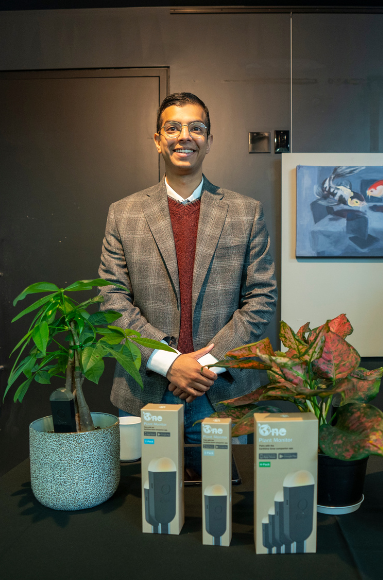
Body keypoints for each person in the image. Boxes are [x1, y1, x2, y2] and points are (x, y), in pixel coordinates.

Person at [98, 92, 277, 444]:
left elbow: (262, 297)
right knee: (147, 497)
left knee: (223, 495)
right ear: (157, 139)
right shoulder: (124, 213)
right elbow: (111, 298)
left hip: (225, 390)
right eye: (173, 127)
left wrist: (205, 365)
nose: (185, 136)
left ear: (209, 141)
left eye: (196, 128)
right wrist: (168, 362)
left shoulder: (246, 212)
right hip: (143, 389)